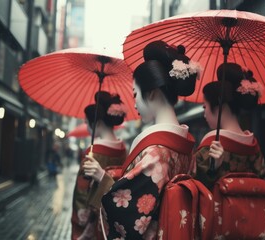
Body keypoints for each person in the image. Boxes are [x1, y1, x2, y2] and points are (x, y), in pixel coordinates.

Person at [82, 40, 199, 239]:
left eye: (135, 94)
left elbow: (127, 212)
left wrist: (103, 178)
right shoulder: (185, 144)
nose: (134, 102)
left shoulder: (156, 150)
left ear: (152, 93)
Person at [194, 62, 265, 190]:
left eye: (205, 106)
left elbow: (197, 190)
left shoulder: (211, 148)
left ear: (219, 106)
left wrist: (213, 169)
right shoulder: (255, 150)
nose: (204, 114)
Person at [71, 91, 127, 240]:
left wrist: (80, 222)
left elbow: (81, 193)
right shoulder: (123, 149)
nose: (86, 126)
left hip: (94, 222)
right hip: (115, 216)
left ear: (98, 123)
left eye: (86, 122)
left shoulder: (92, 152)